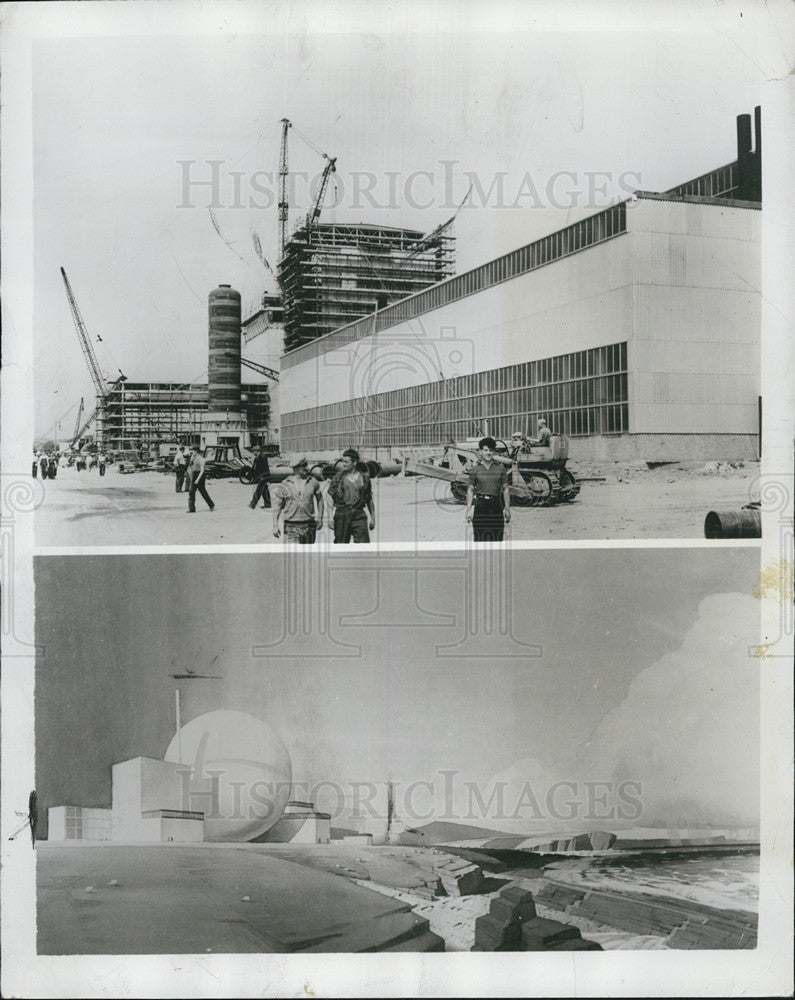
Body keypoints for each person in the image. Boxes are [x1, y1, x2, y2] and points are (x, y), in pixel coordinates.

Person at [465, 436, 511, 542]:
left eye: (491, 450)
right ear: (480, 451)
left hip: (496, 506)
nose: (488, 453)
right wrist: (468, 510)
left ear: (494, 452)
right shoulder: (474, 470)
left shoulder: (500, 468)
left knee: (497, 539)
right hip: (480, 506)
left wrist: (507, 509)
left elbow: (506, 489)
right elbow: (470, 490)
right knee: (480, 539)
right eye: (485, 450)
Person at [272, 455, 324, 543]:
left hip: (309, 525)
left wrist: (320, 518)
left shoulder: (313, 482)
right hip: (291, 526)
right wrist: (275, 526)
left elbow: (320, 500)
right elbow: (278, 506)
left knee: (308, 555)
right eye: (303, 466)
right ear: (295, 468)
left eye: (306, 465)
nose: (307, 468)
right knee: (294, 554)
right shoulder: (285, 484)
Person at [328, 448, 375, 543]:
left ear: (354, 462)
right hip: (342, 515)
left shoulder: (364, 479)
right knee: (341, 545)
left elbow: (369, 499)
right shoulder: (338, 477)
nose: (343, 464)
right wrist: (330, 517)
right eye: (342, 462)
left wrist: (373, 518)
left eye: (346, 462)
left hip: (359, 515)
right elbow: (330, 497)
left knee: (363, 545)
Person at [186, 445, 214, 513]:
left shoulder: (201, 459)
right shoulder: (193, 457)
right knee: (191, 492)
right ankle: (192, 509)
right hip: (195, 474)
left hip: (200, 475)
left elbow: (202, 471)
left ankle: (211, 505)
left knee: (202, 491)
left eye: (192, 451)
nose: (191, 452)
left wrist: (197, 479)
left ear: (196, 451)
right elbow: (190, 466)